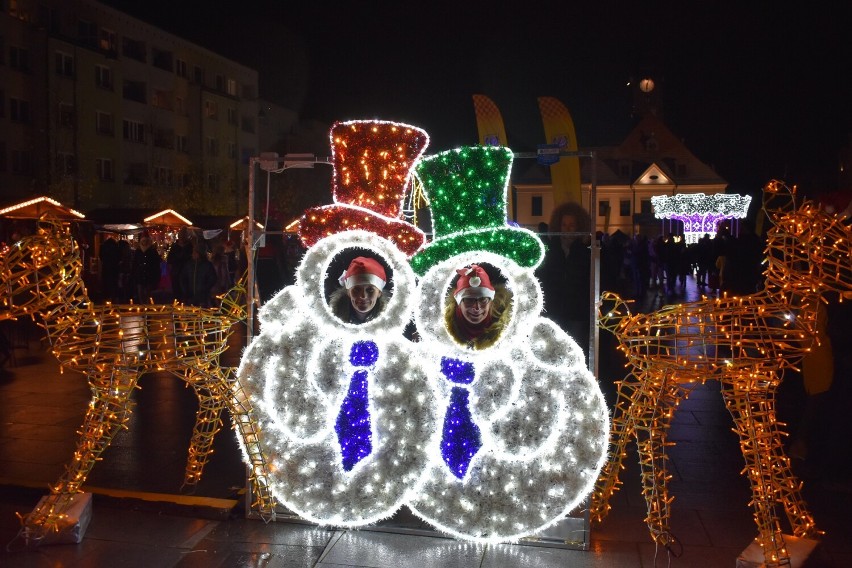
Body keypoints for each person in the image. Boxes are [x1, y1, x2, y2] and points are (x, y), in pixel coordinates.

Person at [535, 201, 592, 358]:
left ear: (578, 227)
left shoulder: (585, 252)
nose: (567, 229)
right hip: (554, 310)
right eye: (564, 225)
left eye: (571, 225)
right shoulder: (550, 250)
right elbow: (542, 278)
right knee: (552, 351)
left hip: (576, 312)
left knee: (576, 351)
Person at [445, 264, 511, 350]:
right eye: (469, 300)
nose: (477, 308)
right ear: (459, 302)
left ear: (490, 302)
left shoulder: (507, 328)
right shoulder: (442, 327)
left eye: (483, 299)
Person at [329, 256, 388, 324]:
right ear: (348, 292)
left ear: (379, 293)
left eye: (370, 290)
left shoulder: (390, 324)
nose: (363, 296)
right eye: (356, 289)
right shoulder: (332, 322)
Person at [130, 232, 162, 303]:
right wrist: (133, 274)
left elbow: (156, 264)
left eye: (146, 241)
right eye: (143, 241)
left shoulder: (152, 251)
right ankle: (142, 307)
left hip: (149, 275)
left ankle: (148, 308)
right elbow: (135, 263)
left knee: (148, 294)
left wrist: (156, 275)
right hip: (140, 276)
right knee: (140, 293)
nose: (144, 242)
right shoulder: (138, 251)